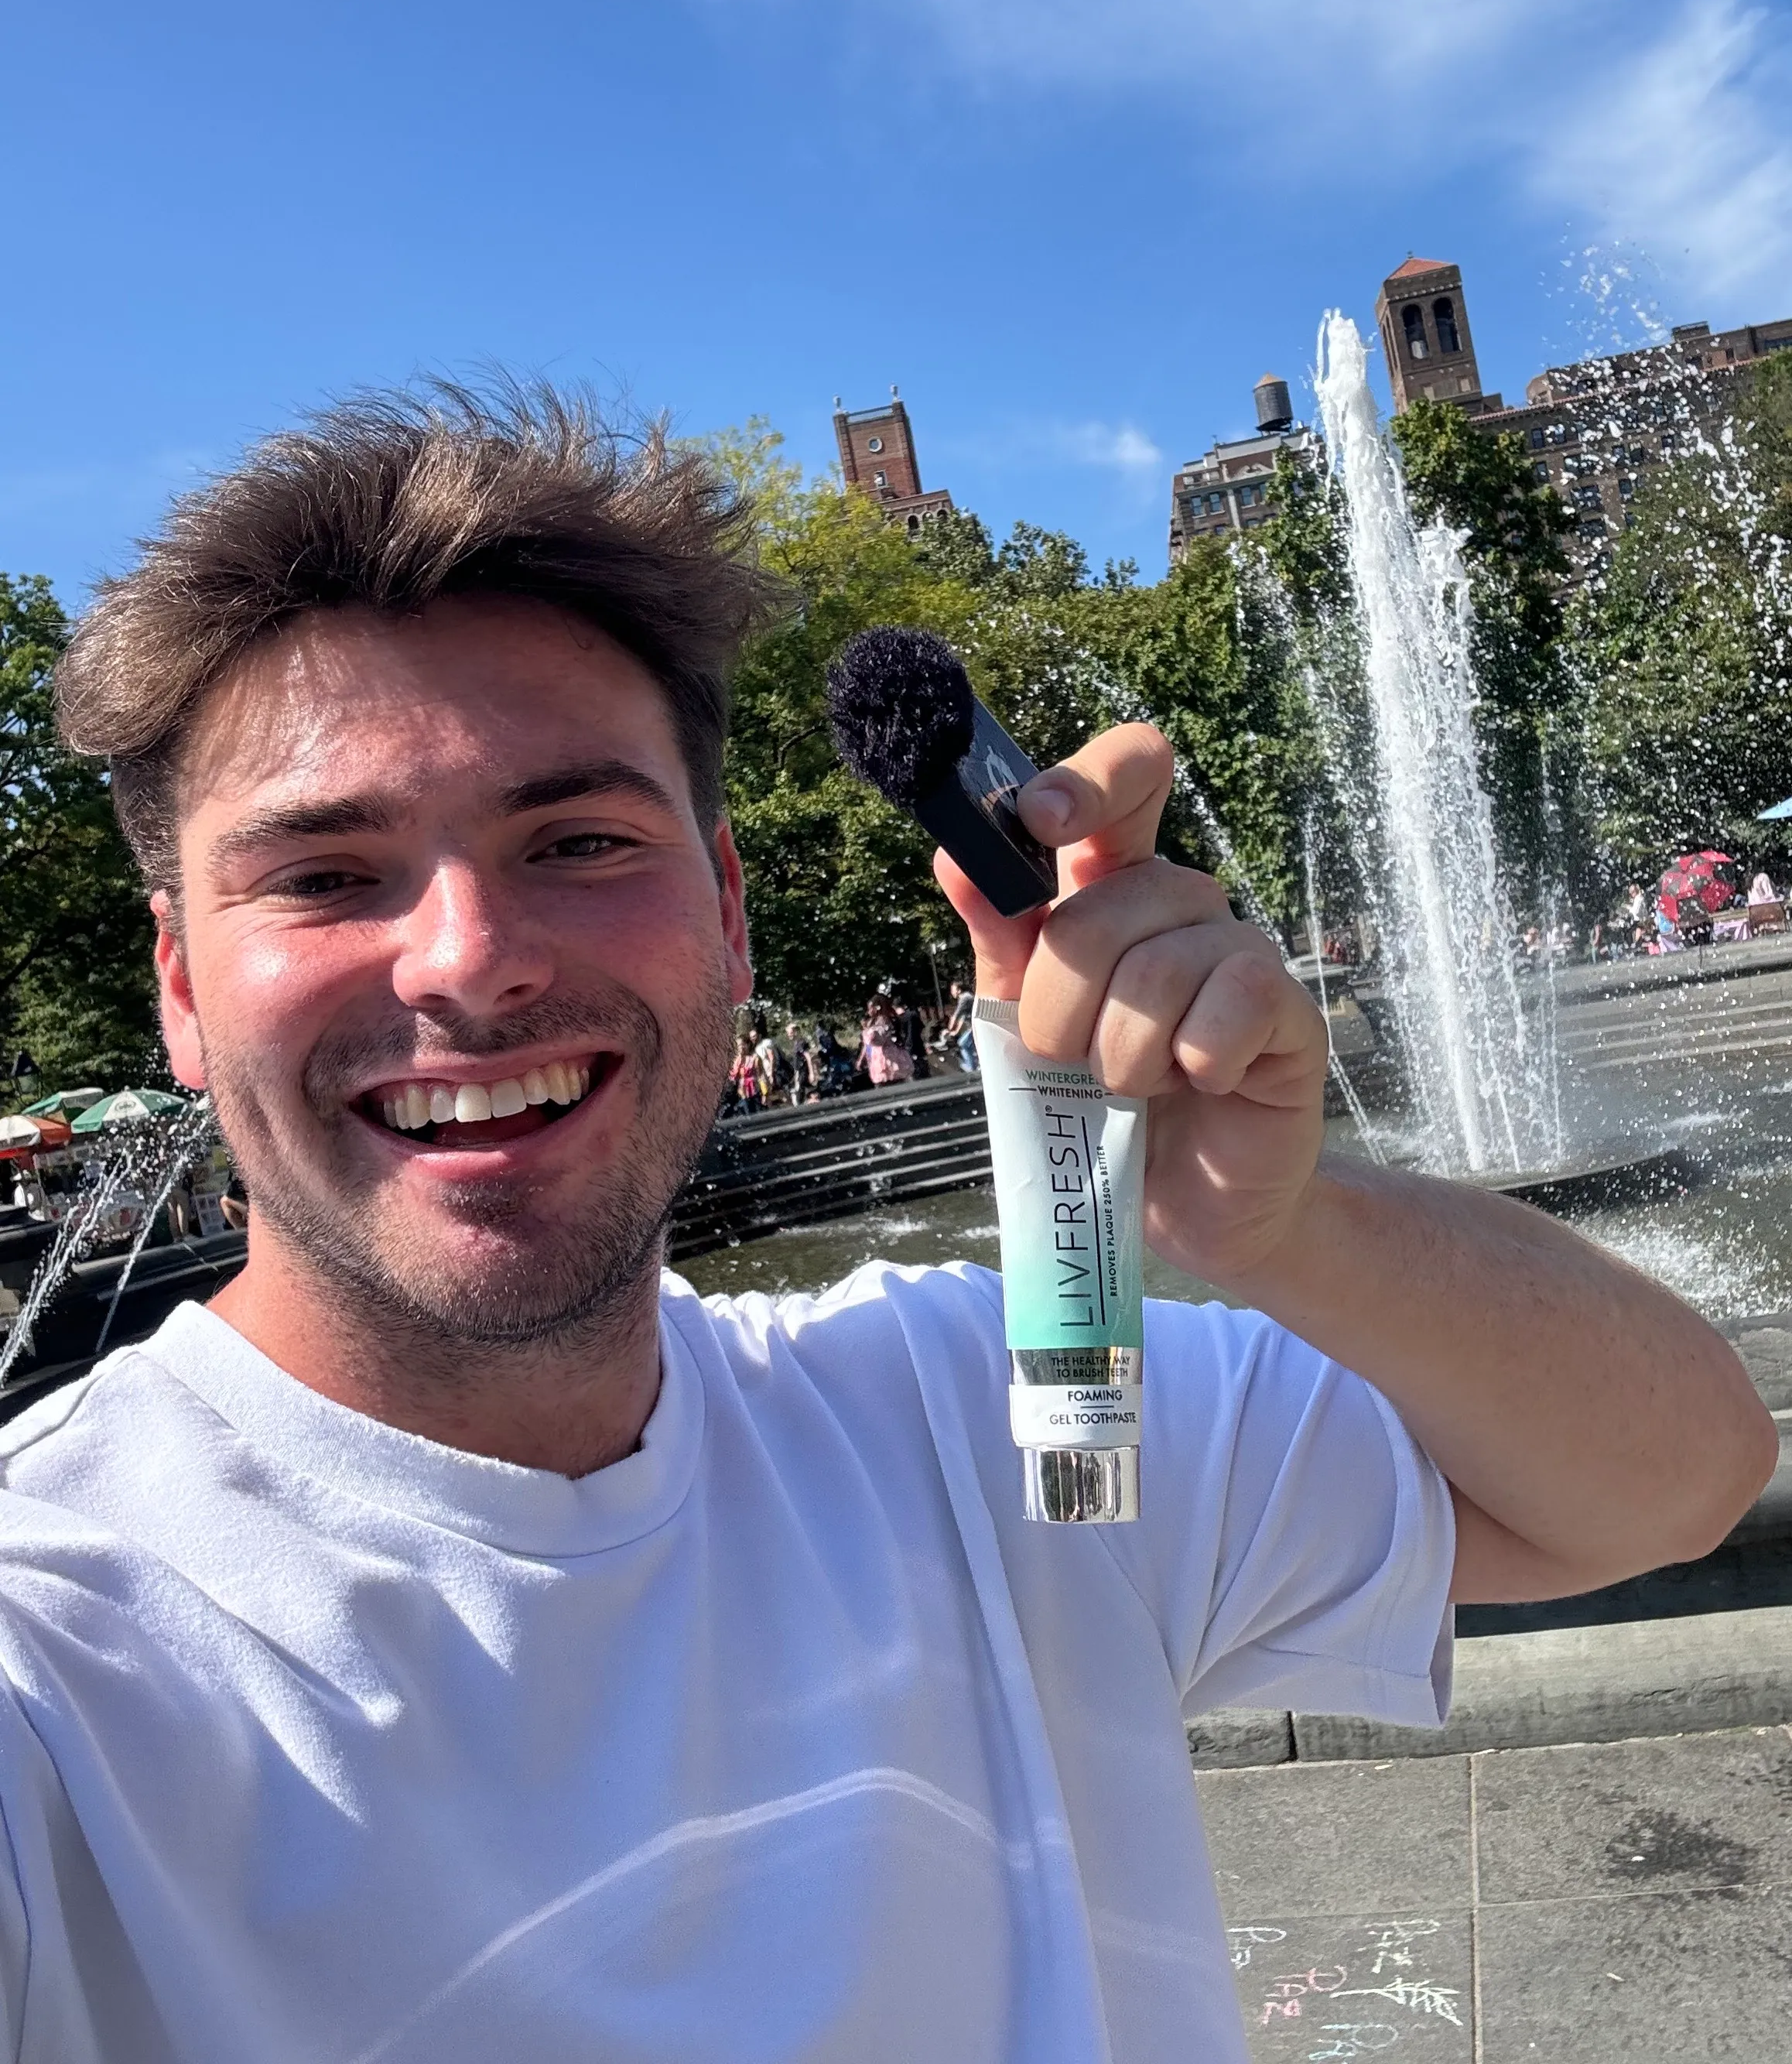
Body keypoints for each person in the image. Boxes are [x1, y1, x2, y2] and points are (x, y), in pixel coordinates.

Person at [0, 384, 1771, 2064]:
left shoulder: (972, 1417)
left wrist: (1280, 1226)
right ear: (177, 985)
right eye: (322, 875)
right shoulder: (61, 1644)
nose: (467, 956)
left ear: (725, 921)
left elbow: (1672, 1477)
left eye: (578, 840)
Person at [944, 977, 976, 1074]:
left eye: (952, 990)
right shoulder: (964, 998)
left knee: (963, 1043)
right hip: (973, 1027)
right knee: (964, 1043)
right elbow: (962, 1019)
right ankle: (972, 1065)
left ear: (958, 990)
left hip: (976, 1026)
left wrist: (948, 1030)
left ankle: (971, 1068)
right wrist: (955, 1032)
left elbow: (956, 1016)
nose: (951, 992)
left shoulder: (965, 998)